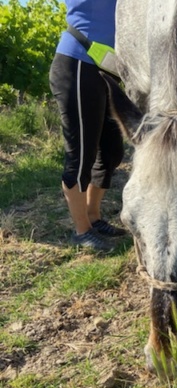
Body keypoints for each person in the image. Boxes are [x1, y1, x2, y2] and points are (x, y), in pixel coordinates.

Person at [49, 0, 125, 252]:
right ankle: (82, 231)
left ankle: (94, 216)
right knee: (81, 155)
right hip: (78, 63)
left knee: (112, 151)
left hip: (105, 68)